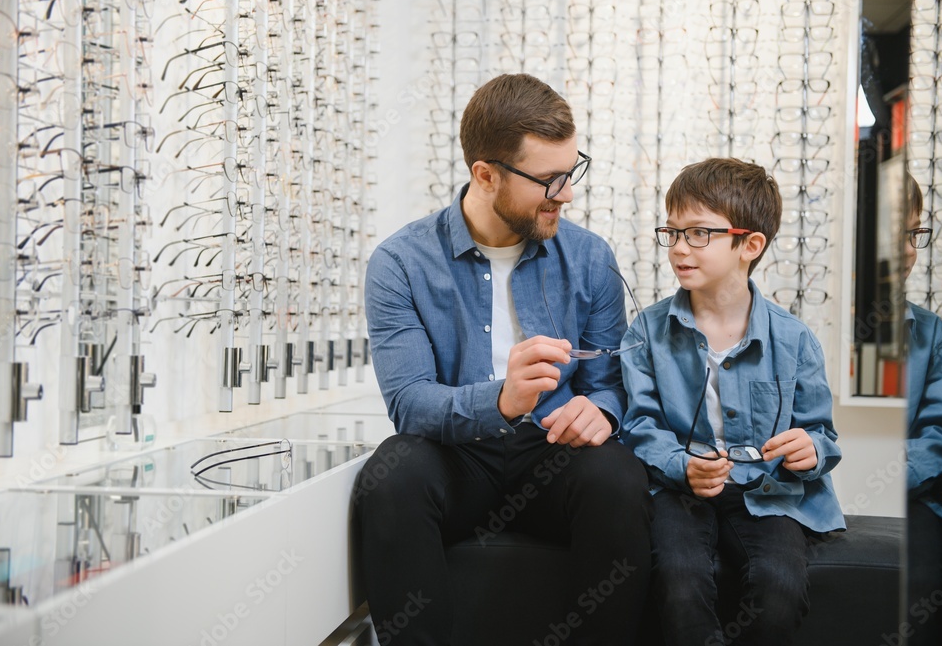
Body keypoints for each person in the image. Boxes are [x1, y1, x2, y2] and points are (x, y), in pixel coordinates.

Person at [354, 73, 652, 645]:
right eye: (549, 180)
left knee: (618, 475)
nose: (567, 193)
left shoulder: (590, 258)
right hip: (456, 459)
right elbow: (410, 402)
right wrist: (500, 400)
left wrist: (603, 411)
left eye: (571, 171)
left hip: (554, 452)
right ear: (485, 175)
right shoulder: (399, 263)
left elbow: (611, 380)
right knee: (392, 476)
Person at [619, 158, 844, 646]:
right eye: (672, 232)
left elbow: (821, 435)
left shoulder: (794, 339)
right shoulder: (646, 333)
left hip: (768, 492)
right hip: (679, 491)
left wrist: (811, 450)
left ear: (751, 245)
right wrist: (683, 465)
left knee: (779, 588)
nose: (679, 248)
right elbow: (639, 425)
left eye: (699, 233)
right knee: (679, 583)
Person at [903, 177, 942, 646]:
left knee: (920, 581)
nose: (906, 250)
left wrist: (884, 473)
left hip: (911, 495)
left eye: (913, 234)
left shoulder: (932, 333)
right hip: (810, 485)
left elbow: (939, 434)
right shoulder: (804, 329)